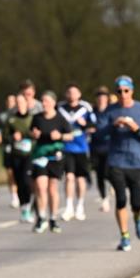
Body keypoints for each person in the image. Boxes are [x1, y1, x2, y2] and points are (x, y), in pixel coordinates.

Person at [101, 75, 140, 252]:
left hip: (137, 162)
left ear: (132, 90)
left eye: (126, 90)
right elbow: (98, 134)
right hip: (116, 161)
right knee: (121, 199)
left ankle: (139, 217)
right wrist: (113, 126)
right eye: (119, 91)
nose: (123, 94)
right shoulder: (110, 111)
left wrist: (136, 129)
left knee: (136, 203)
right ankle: (124, 236)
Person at [29, 91, 73, 233]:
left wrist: (60, 135)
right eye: (43, 101)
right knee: (41, 187)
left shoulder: (60, 119)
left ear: (54, 103)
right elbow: (31, 132)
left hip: (55, 157)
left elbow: (70, 136)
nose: (44, 104)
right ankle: (41, 218)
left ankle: (53, 218)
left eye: (47, 101)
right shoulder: (37, 118)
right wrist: (33, 134)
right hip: (40, 156)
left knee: (52, 188)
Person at [58, 84, 95, 222]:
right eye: (69, 92)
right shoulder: (61, 108)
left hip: (81, 147)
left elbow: (94, 125)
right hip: (66, 148)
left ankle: (80, 206)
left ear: (79, 94)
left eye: (74, 92)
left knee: (80, 178)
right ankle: (69, 207)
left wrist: (85, 124)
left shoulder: (85, 108)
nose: (72, 95)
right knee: (69, 177)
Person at [2, 92, 36, 223]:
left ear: (27, 103)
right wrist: (12, 137)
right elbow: (4, 137)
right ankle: (24, 208)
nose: (20, 105)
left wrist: (26, 134)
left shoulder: (32, 118)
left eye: (22, 102)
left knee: (27, 181)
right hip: (16, 154)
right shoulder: (11, 119)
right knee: (19, 182)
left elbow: (37, 134)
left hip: (30, 154)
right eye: (18, 102)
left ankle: (31, 203)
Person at [90, 86, 113, 212]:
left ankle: (112, 187)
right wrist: (88, 128)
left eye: (103, 96)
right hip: (95, 146)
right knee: (99, 175)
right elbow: (87, 124)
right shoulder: (92, 112)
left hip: (109, 147)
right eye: (99, 96)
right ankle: (104, 199)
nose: (101, 98)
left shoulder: (111, 111)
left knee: (107, 173)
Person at [0, 94, 20, 208]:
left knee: (21, 172)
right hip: (8, 146)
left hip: (21, 147)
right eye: (9, 101)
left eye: (13, 101)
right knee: (10, 172)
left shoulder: (20, 114)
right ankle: (14, 196)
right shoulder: (2, 116)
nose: (11, 103)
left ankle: (22, 193)